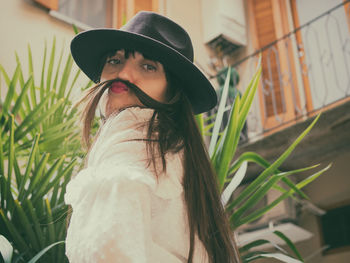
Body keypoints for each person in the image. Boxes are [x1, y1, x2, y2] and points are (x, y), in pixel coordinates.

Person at [65, 11, 241, 263]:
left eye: (148, 67)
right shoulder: (178, 162)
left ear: (172, 94)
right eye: (115, 60)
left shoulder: (131, 156)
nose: (124, 74)